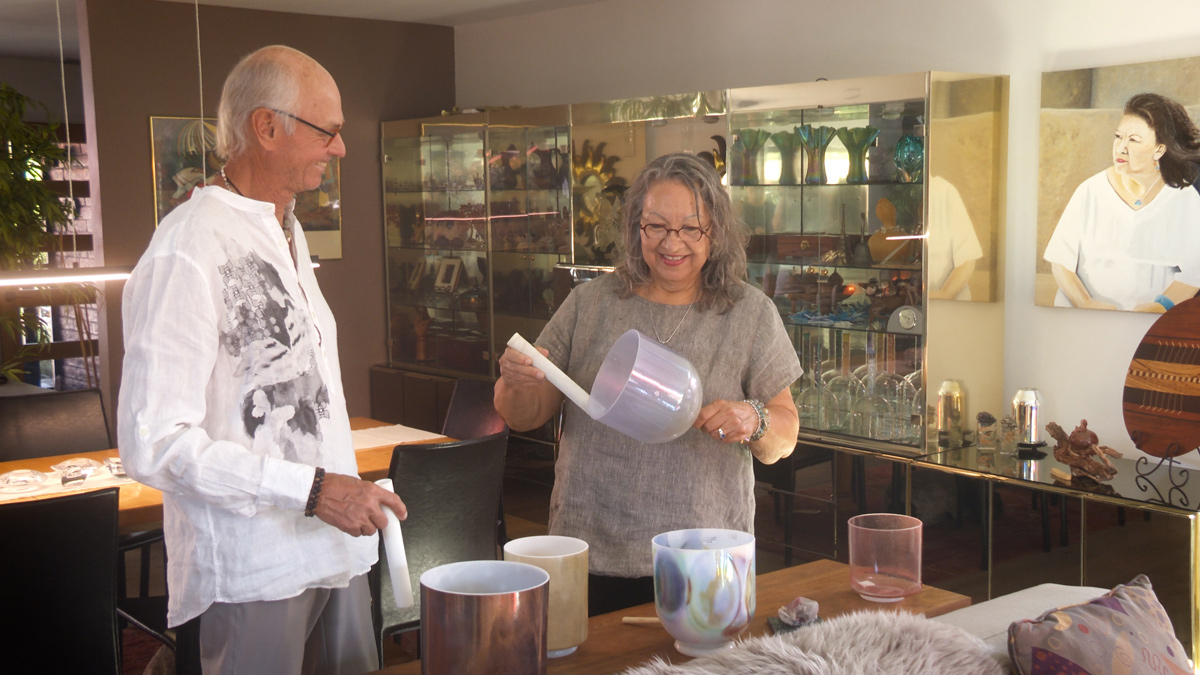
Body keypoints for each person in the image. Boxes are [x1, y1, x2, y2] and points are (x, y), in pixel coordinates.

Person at [118, 45, 405, 673]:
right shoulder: (187, 247)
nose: (340, 148)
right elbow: (153, 441)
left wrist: (326, 496)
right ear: (267, 127)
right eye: (326, 131)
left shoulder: (287, 228)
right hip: (255, 568)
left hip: (335, 549)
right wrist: (313, 491)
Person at [495, 152, 802, 615]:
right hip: (590, 544)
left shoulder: (748, 312)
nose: (671, 243)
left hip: (703, 553)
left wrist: (754, 419)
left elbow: (785, 436)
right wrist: (516, 382)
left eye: (690, 228)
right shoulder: (590, 304)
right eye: (656, 226)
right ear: (635, 227)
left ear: (715, 231)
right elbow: (524, 415)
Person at [1044, 92, 1200, 312]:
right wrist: (1086, 303)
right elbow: (1060, 261)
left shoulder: (1183, 197)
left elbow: (1194, 272)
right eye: (1118, 136)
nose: (1121, 147)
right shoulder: (1091, 190)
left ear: (1159, 149)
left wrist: (1160, 306)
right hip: (1087, 317)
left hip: (1152, 322)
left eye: (1133, 140)